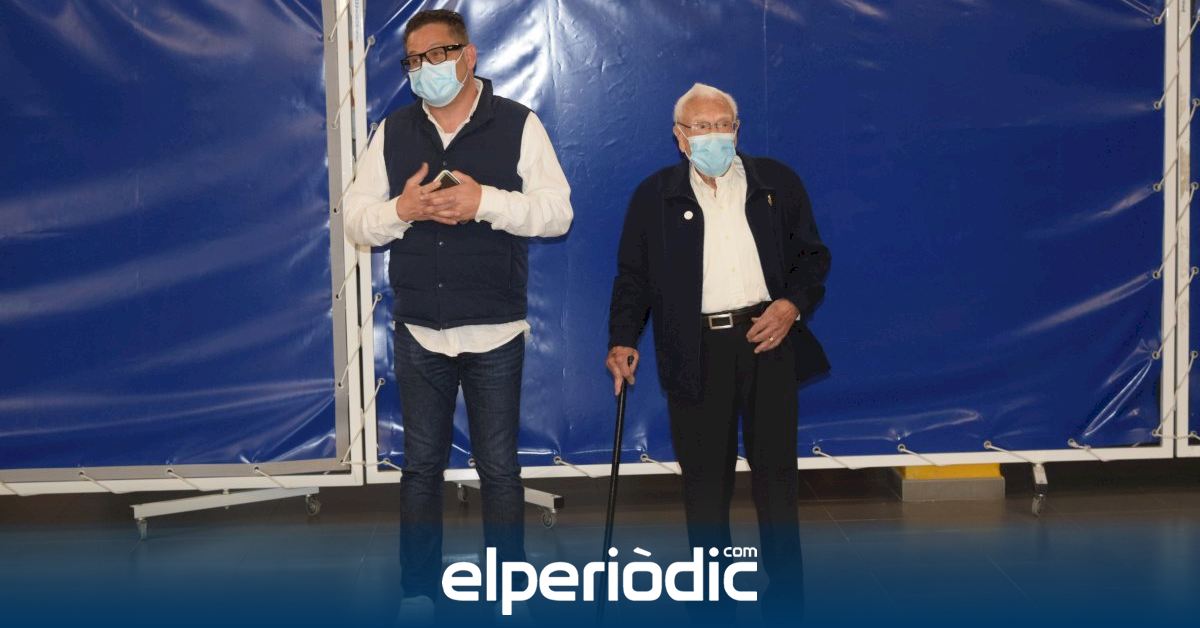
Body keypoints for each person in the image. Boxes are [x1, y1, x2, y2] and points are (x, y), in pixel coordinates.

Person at [343, 8, 573, 607]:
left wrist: (485, 202)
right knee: (420, 469)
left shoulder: (519, 123)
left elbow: (558, 213)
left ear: (468, 57)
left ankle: (508, 589)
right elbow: (356, 220)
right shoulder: (393, 130)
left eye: (438, 55)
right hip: (420, 330)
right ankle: (419, 593)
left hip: (496, 330)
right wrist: (402, 210)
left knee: (499, 470)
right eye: (414, 61)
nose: (426, 68)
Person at [605, 83, 830, 622]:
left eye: (723, 125)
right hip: (695, 348)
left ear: (738, 129)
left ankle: (787, 601)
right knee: (705, 485)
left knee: (777, 478)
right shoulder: (655, 196)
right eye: (701, 127)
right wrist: (623, 339)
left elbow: (812, 258)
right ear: (680, 138)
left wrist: (791, 306)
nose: (714, 136)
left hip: (767, 339)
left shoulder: (776, 182)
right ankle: (712, 600)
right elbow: (633, 278)